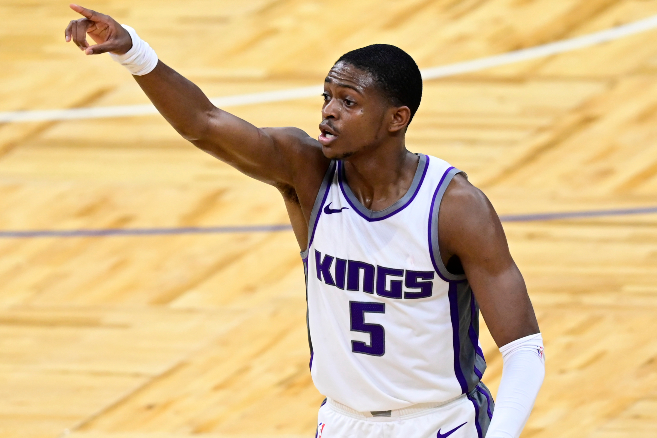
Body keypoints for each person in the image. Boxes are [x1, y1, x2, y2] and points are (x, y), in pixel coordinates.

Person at [64, 5, 545, 437]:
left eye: (348, 102)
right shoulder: (306, 170)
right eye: (327, 97)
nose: (329, 113)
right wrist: (133, 51)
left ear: (396, 119)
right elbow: (204, 124)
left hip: (440, 423)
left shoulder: (455, 207)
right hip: (341, 421)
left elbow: (523, 349)